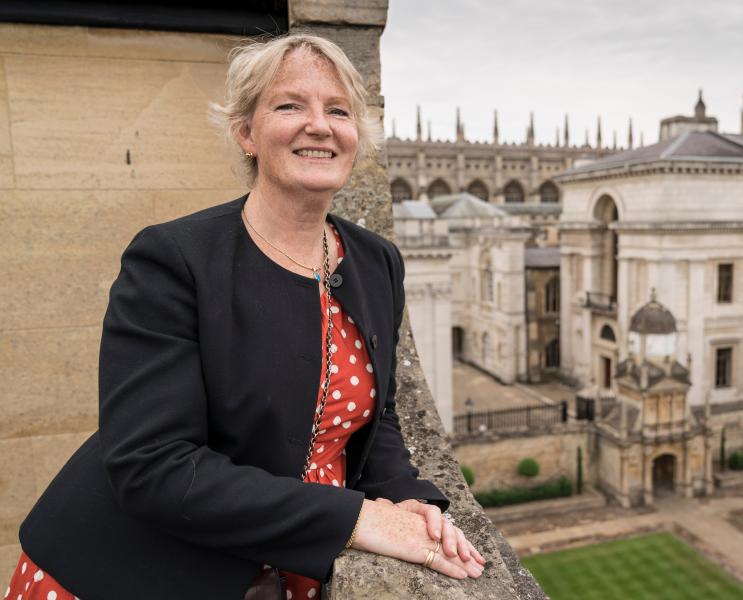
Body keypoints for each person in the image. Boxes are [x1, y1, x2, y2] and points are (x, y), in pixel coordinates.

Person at [8, 34, 484, 600]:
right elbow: (152, 466)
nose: (320, 125)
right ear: (245, 132)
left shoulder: (376, 261)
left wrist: (410, 499)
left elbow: (375, 416)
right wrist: (356, 519)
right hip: (138, 571)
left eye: (339, 110)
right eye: (289, 106)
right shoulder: (173, 259)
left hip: (291, 560)